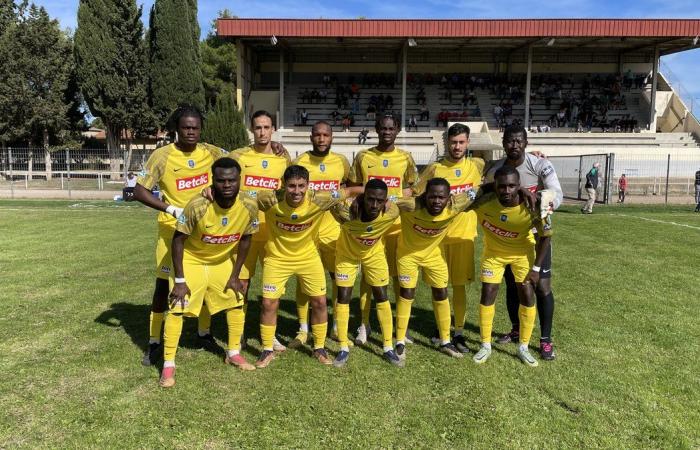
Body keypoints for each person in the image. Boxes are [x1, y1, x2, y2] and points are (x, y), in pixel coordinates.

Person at [134, 105, 227, 367]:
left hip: (203, 231)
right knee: (163, 286)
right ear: (176, 128)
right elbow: (139, 191)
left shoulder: (211, 152)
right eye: (185, 127)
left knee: (208, 283)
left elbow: (239, 160)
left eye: (195, 128)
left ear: (200, 129)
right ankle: (154, 343)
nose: (190, 132)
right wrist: (170, 208)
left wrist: (277, 149)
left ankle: (204, 333)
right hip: (171, 230)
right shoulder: (162, 156)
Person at [159, 158, 258, 387]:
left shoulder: (249, 205)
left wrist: (235, 274)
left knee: (236, 299)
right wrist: (181, 280)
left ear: (239, 180)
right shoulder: (198, 205)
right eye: (221, 181)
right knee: (177, 306)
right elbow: (177, 241)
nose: (226, 185)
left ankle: (234, 353)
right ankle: (168, 365)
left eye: (231, 180)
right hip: (192, 260)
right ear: (213, 181)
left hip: (220, 260)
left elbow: (246, 239)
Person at [253, 165, 361, 368]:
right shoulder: (268, 199)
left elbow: (350, 190)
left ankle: (319, 347)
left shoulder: (319, 199)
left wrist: (381, 194)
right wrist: (210, 191)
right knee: (268, 304)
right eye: (292, 186)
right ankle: (267, 349)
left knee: (320, 302)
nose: (296, 191)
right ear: (283, 185)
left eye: (301, 186)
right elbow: (239, 196)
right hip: (277, 259)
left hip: (308, 258)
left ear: (308, 185)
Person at [484, 125, 563, 360]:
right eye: (510, 141)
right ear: (503, 142)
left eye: (519, 141)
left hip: (537, 237)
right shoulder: (497, 169)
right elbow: (488, 192)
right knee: (514, 285)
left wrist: (537, 198)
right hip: (509, 236)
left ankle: (546, 340)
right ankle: (516, 329)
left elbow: (557, 194)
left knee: (541, 287)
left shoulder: (540, 165)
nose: (514, 145)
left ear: (526, 142)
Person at [347, 113, 419, 345]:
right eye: (383, 128)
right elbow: (353, 185)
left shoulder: (405, 157)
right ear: (377, 129)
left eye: (391, 128)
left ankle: (401, 327)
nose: (387, 132)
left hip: (396, 225)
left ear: (397, 129)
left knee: (397, 274)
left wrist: (393, 197)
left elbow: (413, 188)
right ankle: (364, 323)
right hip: (370, 225)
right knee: (369, 275)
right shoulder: (363, 156)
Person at [471, 165, 554, 367]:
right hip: (494, 254)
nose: (506, 191)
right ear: (494, 186)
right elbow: (461, 198)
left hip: (522, 254)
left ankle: (523, 347)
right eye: (501, 186)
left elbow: (546, 237)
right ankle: (485, 345)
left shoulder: (533, 205)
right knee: (488, 292)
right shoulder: (482, 200)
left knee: (526, 294)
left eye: (512, 186)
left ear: (519, 186)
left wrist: (536, 269)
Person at [412, 124, 484, 353]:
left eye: (462, 142)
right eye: (453, 142)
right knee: (439, 286)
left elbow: (500, 172)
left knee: (460, 286)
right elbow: (416, 193)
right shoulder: (434, 169)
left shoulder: (477, 165)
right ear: (447, 143)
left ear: (468, 142)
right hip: (437, 238)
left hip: (464, 236)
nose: (457, 146)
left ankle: (460, 332)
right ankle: (441, 329)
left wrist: (535, 156)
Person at [394, 178, 480, 361]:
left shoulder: (456, 205)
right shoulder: (409, 205)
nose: (436, 201)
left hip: (434, 255)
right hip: (408, 254)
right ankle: (400, 340)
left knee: (441, 292)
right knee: (407, 292)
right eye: (432, 197)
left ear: (449, 198)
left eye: (441, 197)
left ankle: (445, 340)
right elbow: (384, 197)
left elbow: (479, 190)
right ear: (425, 196)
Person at [228, 110, 291, 352]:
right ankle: (239, 332)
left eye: (266, 127)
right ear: (251, 130)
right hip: (244, 231)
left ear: (273, 129)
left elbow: (293, 191)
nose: (262, 132)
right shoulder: (238, 157)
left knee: (272, 289)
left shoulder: (284, 160)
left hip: (274, 234)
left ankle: (270, 335)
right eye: (258, 128)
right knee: (241, 284)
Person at [290, 121, 351, 348]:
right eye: (318, 135)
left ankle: (336, 326)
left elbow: (350, 184)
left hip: (333, 229)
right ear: (311, 137)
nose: (322, 139)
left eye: (326, 135)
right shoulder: (300, 162)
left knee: (337, 277)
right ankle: (303, 329)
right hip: (306, 230)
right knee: (304, 279)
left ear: (332, 137)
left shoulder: (341, 162)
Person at [331, 179, 403, 367]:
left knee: (382, 295)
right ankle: (343, 347)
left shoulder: (392, 212)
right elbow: (332, 197)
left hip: (374, 254)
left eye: (380, 201)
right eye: (370, 199)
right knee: (343, 296)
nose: (374, 205)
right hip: (347, 255)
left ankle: (388, 347)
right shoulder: (344, 212)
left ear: (386, 201)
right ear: (363, 198)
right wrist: (349, 191)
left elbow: (399, 202)